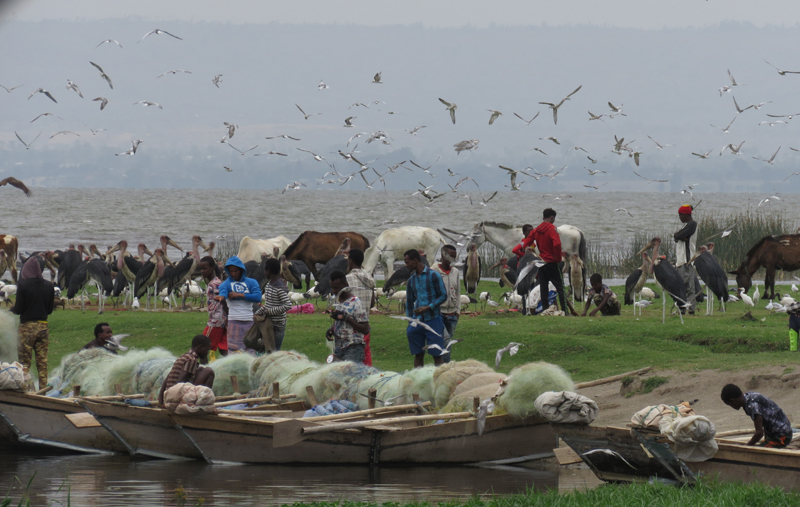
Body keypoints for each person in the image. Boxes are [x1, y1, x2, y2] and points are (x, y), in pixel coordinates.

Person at [10, 257, 54, 387]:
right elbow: (50, 310)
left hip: (26, 328)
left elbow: (18, 309)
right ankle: (43, 390)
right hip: (43, 327)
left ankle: (26, 389)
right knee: (42, 362)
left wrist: (12, 309)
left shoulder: (23, 286)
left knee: (24, 363)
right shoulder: (49, 286)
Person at [404, 249, 447, 368]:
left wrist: (429, 307)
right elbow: (409, 302)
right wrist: (410, 321)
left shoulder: (434, 275)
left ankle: (441, 381)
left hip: (433, 320)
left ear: (415, 260)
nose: (406, 265)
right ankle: (418, 381)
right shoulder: (411, 281)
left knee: (437, 355)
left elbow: (443, 295)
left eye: (407, 262)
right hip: (417, 321)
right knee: (418, 354)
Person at [523, 209, 568, 314]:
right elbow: (556, 244)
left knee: (543, 287)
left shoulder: (537, 229)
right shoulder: (553, 229)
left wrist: (527, 249)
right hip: (551, 262)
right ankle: (565, 310)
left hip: (541, 262)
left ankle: (545, 309)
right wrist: (557, 258)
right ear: (552, 217)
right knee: (560, 287)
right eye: (553, 219)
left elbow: (527, 241)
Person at [721, 384, 793, 448]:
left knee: (760, 452)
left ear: (733, 401)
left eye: (730, 404)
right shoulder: (749, 397)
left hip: (781, 435)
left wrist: (747, 447)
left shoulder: (752, 405)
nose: (731, 406)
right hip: (775, 432)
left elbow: (759, 433)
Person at [216, 256, 262, 353]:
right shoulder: (226, 284)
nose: (233, 274)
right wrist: (221, 297)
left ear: (241, 270)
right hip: (234, 322)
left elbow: (257, 297)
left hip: (249, 322)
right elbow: (223, 291)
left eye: (236, 271)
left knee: (250, 350)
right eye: (231, 271)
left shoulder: (251, 282)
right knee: (234, 351)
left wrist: (239, 295)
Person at [158, 334, 215, 407]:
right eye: (207, 350)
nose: (207, 353)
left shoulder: (183, 357)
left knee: (201, 369)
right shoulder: (192, 360)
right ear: (200, 347)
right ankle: (205, 402)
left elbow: (166, 380)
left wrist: (161, 400)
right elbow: (180, 382)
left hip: (169, 396)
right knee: (209, 372)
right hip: (175, 398)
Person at [327, 271, 370, 363]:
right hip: (338, 348)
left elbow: (366, 329)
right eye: (332, 288)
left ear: (345, 285)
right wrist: (331, 329)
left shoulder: (355, 303)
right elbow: (338, 320)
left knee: (350, 376)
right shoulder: (335, 301)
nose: (334, 291)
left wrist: (347, 319)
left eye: (336, 288)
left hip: (353, 348)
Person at [254, 258, 293, 351]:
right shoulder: (269, 285)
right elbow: (268, 304)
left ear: (268, 271)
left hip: (278, 326)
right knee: (267, 349)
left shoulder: (279, 288)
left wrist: (270, 312)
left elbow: (288, 305)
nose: (264, 272)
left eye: (265, 270)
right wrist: (258, 313)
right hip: (269, 323)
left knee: (275, 351)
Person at [431, 244, 460, 363]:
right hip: (438, 314)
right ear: (443, 255)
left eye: (454, 257)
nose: (453, 259)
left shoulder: (456, 272)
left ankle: (439, 367)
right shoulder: (433, 271)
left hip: (452, 315)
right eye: (450, 256)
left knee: (444, 344)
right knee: (446, 342)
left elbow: (458, 291)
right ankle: (445, 369)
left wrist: (458, 311)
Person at [346, 248, 375, 365]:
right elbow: (372, 303)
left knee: (350, 353)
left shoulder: (347, 279)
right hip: (365, 323)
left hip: (351, 324)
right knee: (366, 352)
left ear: (351, 260)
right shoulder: (370, 279)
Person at [199, 256, 227, 357]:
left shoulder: (215, 284)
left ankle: (203, 369)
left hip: (216, 321)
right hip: (221, 320)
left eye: (205, 268)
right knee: (224, 349)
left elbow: (224, 300)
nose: (202, 271)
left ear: (212, 268)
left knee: (201, 347)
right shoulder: (214, 283)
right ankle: (233, 367)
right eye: (201, 269)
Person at [674, 204, 698, 315]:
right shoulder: (686, 225)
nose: (679, 218)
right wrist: (678, 235)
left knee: (684, 286)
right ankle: (689, 309)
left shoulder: (692, 224)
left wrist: (679, 235)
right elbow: (677, 237)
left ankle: (684, 309)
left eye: (680, 215)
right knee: (687, 286)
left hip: (686, 260)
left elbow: (678, 236)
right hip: (682, 261)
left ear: (685, 215)